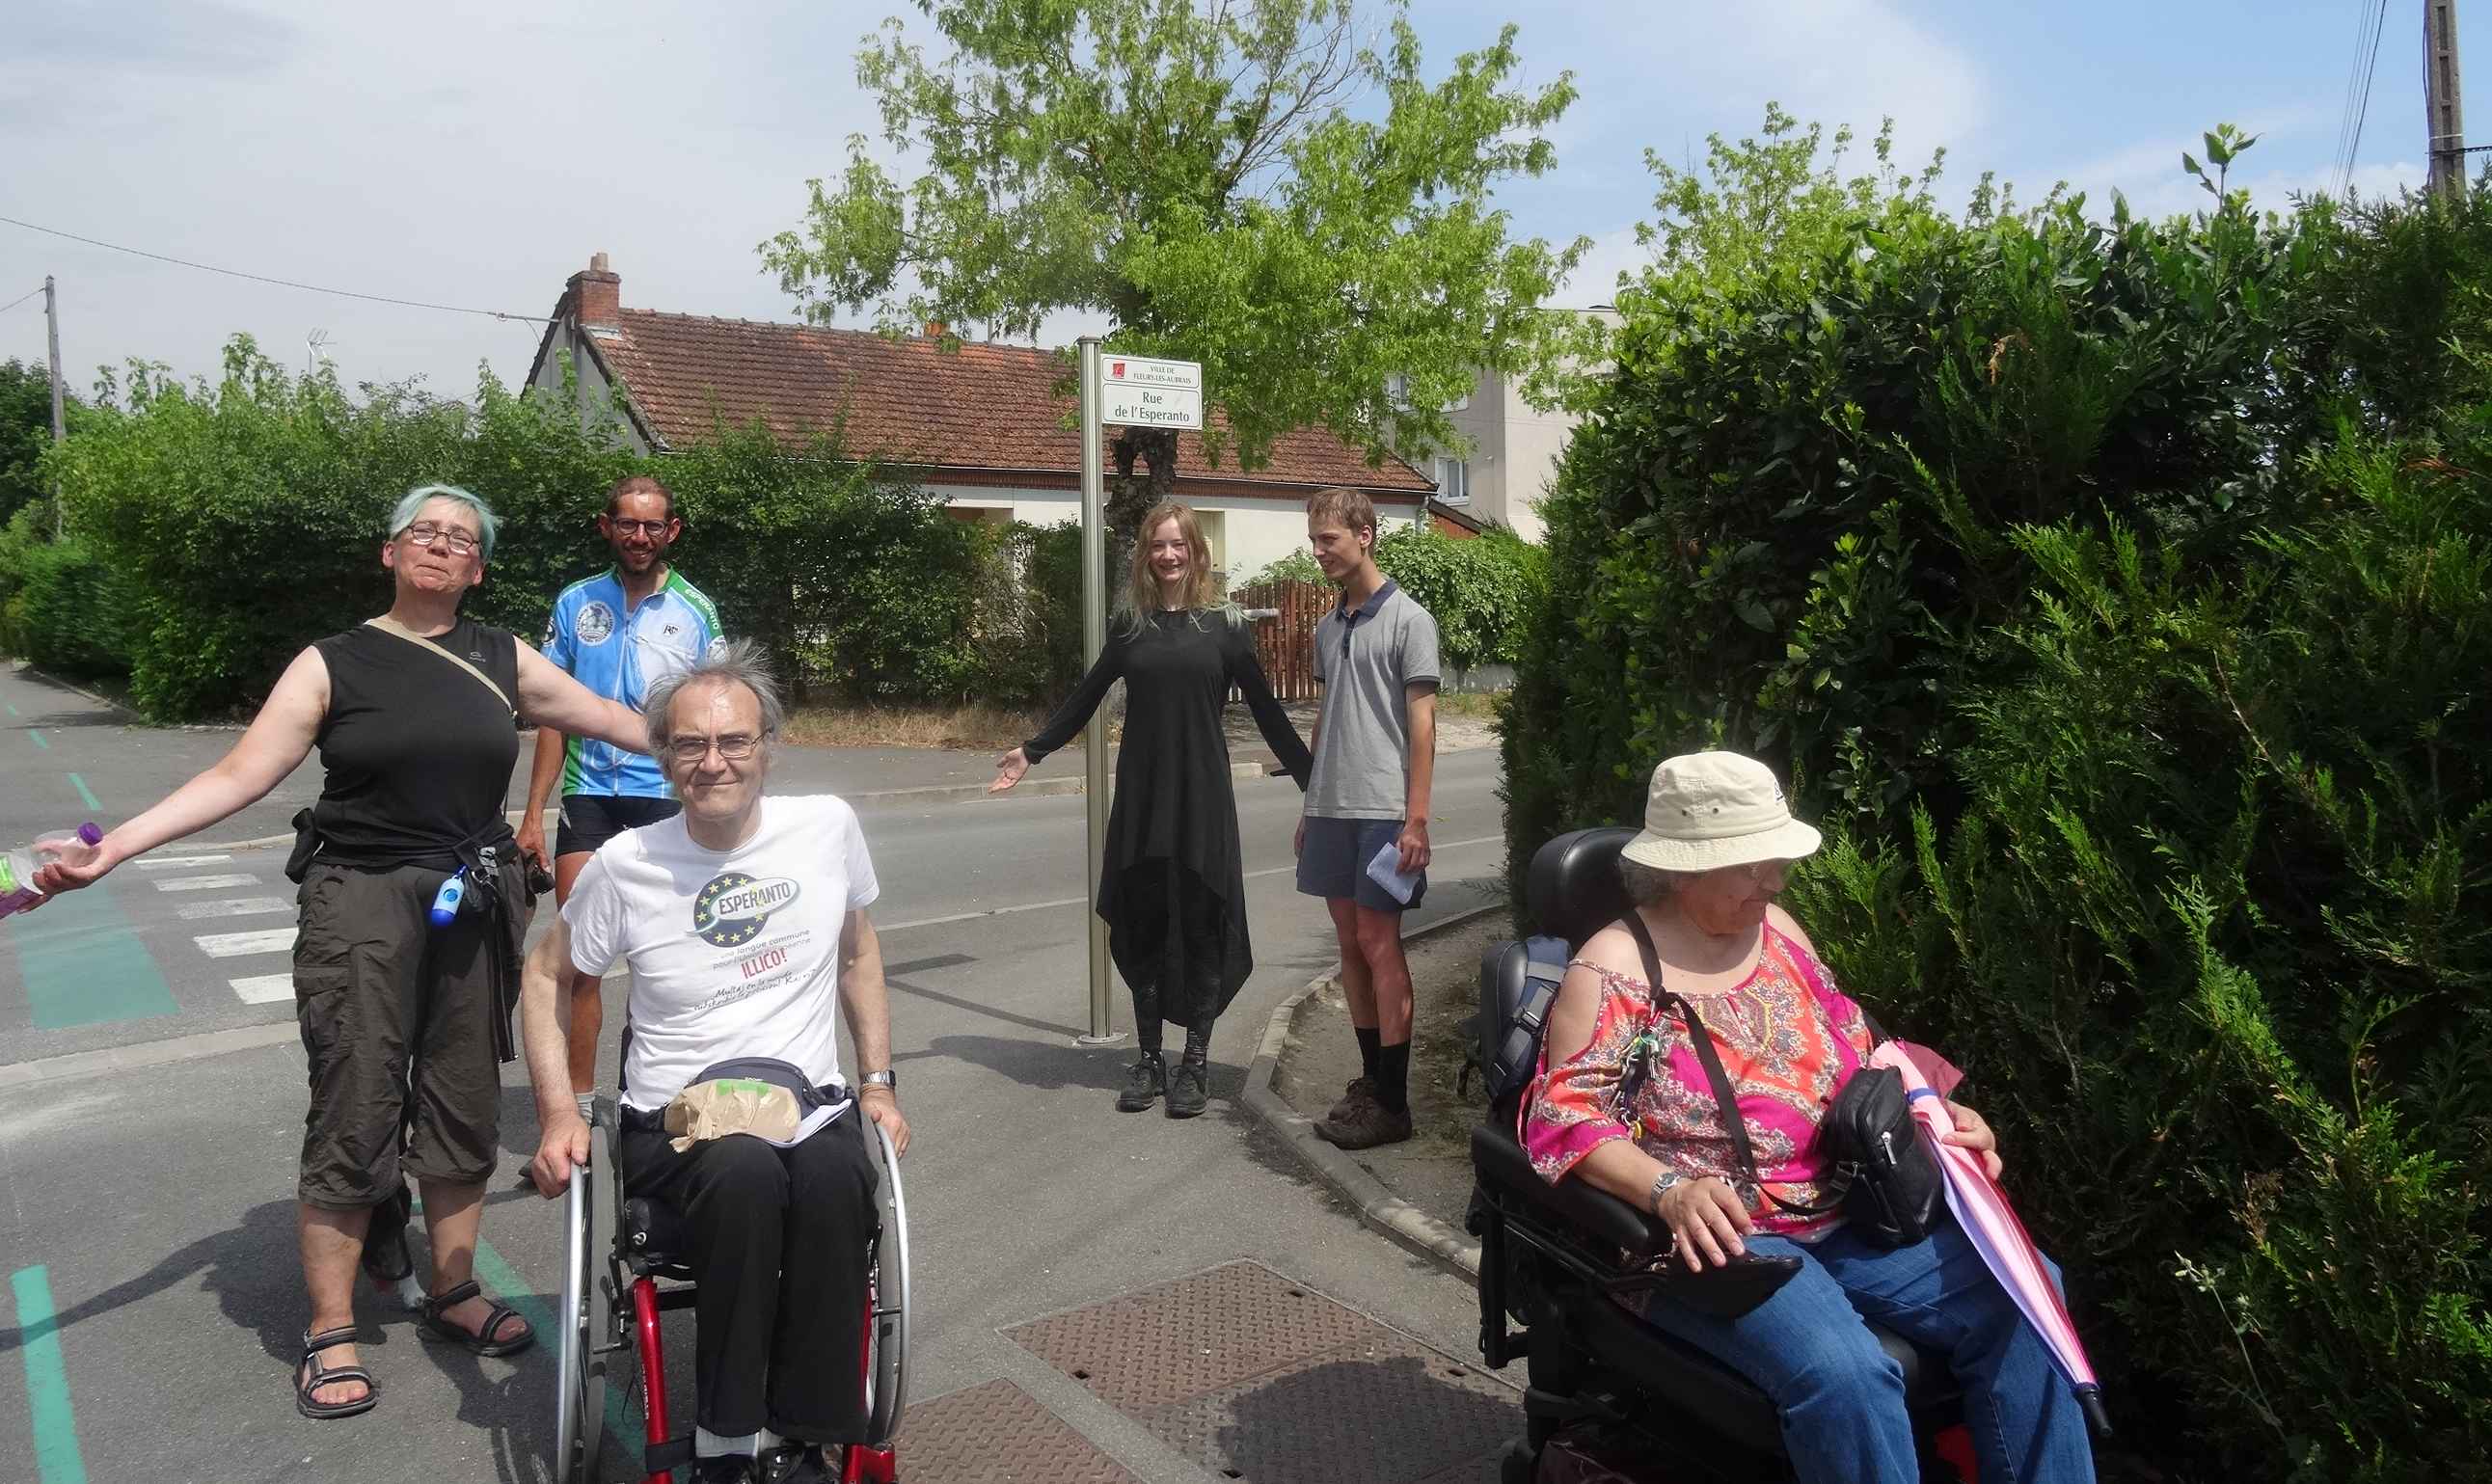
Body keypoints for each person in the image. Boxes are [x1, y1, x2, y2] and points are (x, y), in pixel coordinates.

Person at [27, 484, 657, 1421]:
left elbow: (614, 720)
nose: (441, 547)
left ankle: (451, 1289)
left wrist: (731, 752)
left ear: (478, 567)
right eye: (424, 533)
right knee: (356, 1102)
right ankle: (330, 1328)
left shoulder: (502, 656)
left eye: (461, 539)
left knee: (462, 1098)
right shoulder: (335, 661)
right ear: (391, 553)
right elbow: (239, 772)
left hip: (472, 901)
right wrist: (114, 847)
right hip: (357, 897)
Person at [1524, 752, 2097, 1484]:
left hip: (1847, 1208)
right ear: (1686, 866)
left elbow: (1861, 1047)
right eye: (1753, 863)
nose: (1775, 878)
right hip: (1724, 1249)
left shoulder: (1781, 934)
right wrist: (1669, 1188)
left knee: (2028, 1295)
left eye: (1775, 860)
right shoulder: (1615, 970)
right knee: (1848, 1376)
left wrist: (1939, 1113)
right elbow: (1564, 1121)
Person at [525, 640, 908, 1484]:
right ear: (664, 757)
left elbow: (857, 953)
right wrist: (560, 1109)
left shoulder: (826, 828)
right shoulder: (629, 865)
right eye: (691, 744)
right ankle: (727, 1439)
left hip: (806, 1097)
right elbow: (549, 973)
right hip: (678, 1115)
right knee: (741, 1168)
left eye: (733, 740)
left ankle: (807, 1433)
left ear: (766, 744)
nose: (714, 761)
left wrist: (877, 1081)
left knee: (839, 1181)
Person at [990, 500, 1312, 1117]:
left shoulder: (1225, 626)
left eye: (1179, 545)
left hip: (1201, 797)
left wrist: (1311, 782)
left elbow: (1269, 711)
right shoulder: (1131, 627)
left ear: (1196, 551)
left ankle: (1194, 1063)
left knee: (1199, 917)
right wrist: (1032, 751)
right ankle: (1148, 1059)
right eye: (1158, 545)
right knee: (1142, 916)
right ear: (1146, 553)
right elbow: (1086, 697)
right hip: (1141, 794)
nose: (1168, 555)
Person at [516, 472, 723, 1117]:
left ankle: (658, 1106)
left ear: (671, 532)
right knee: (578, 958)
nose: (639, 536)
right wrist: (531, 816)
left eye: (651, 525)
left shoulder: (696, 610)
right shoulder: (576, 603)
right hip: (588, 798)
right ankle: (574, 1114)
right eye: (627, 524)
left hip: (663, 801)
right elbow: (553, 714)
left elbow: (716, 714)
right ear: (607, 526)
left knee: (669, 959)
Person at [1291, 487, 1438, 1149]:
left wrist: (1417, 818)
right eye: (1315, 540)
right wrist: (1308, 802)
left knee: (1381, 944)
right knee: (1349, 945)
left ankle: (1396, 1102)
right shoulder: (1328, 626)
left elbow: (1423, 723)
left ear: (1366, 535)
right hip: (1331, 808)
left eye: (1329, 539)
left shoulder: (1411, 620)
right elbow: (1327, 719)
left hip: (1385, 811)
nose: (1318, 550)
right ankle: (1372, 1083)